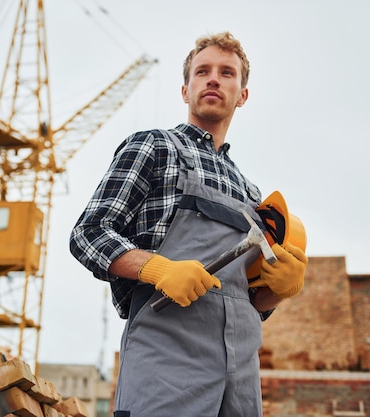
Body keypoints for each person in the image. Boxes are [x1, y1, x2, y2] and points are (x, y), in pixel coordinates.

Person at [69, 31, 308, 417]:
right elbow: (88, 233)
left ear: (242, 95)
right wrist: (157, 268)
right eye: (203, 71)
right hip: (166, 368)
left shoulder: (252, 193)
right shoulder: (154, 147)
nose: (214, 79)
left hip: (240, 379)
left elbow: (252, 303)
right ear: (186, 90)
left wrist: (280, 291)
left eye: (227, 73)